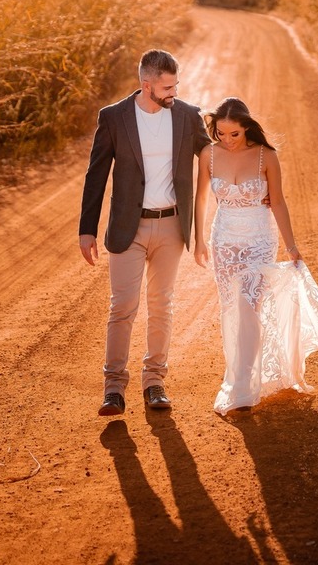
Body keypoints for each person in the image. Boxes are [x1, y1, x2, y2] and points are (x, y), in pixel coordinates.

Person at [192, 97, 318, 415]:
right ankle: (241, 378)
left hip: (259, 239)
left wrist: (291, 246)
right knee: (232, 310)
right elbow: (199, 200)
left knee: (249, 308)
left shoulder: (267, 157)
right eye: (221, 133)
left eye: (234, 134)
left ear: (247, 128)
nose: (227, 140)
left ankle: (243, 389)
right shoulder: (209, 155)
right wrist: (199, 241)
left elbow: (278, 202)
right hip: (224, 239)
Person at [79, 49, 210, 416]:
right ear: (146, 84)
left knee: (161, 305)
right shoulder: (114, 117)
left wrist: (255, 164)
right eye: (167, 87)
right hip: (127, 227)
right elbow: (96, 174)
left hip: (171, 225)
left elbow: (214, 155)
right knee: (122, 307)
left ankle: (155, 382)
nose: (174, 92)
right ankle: (113, 389)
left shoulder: (187, 116)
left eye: (176, 85)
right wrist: (86, 230)